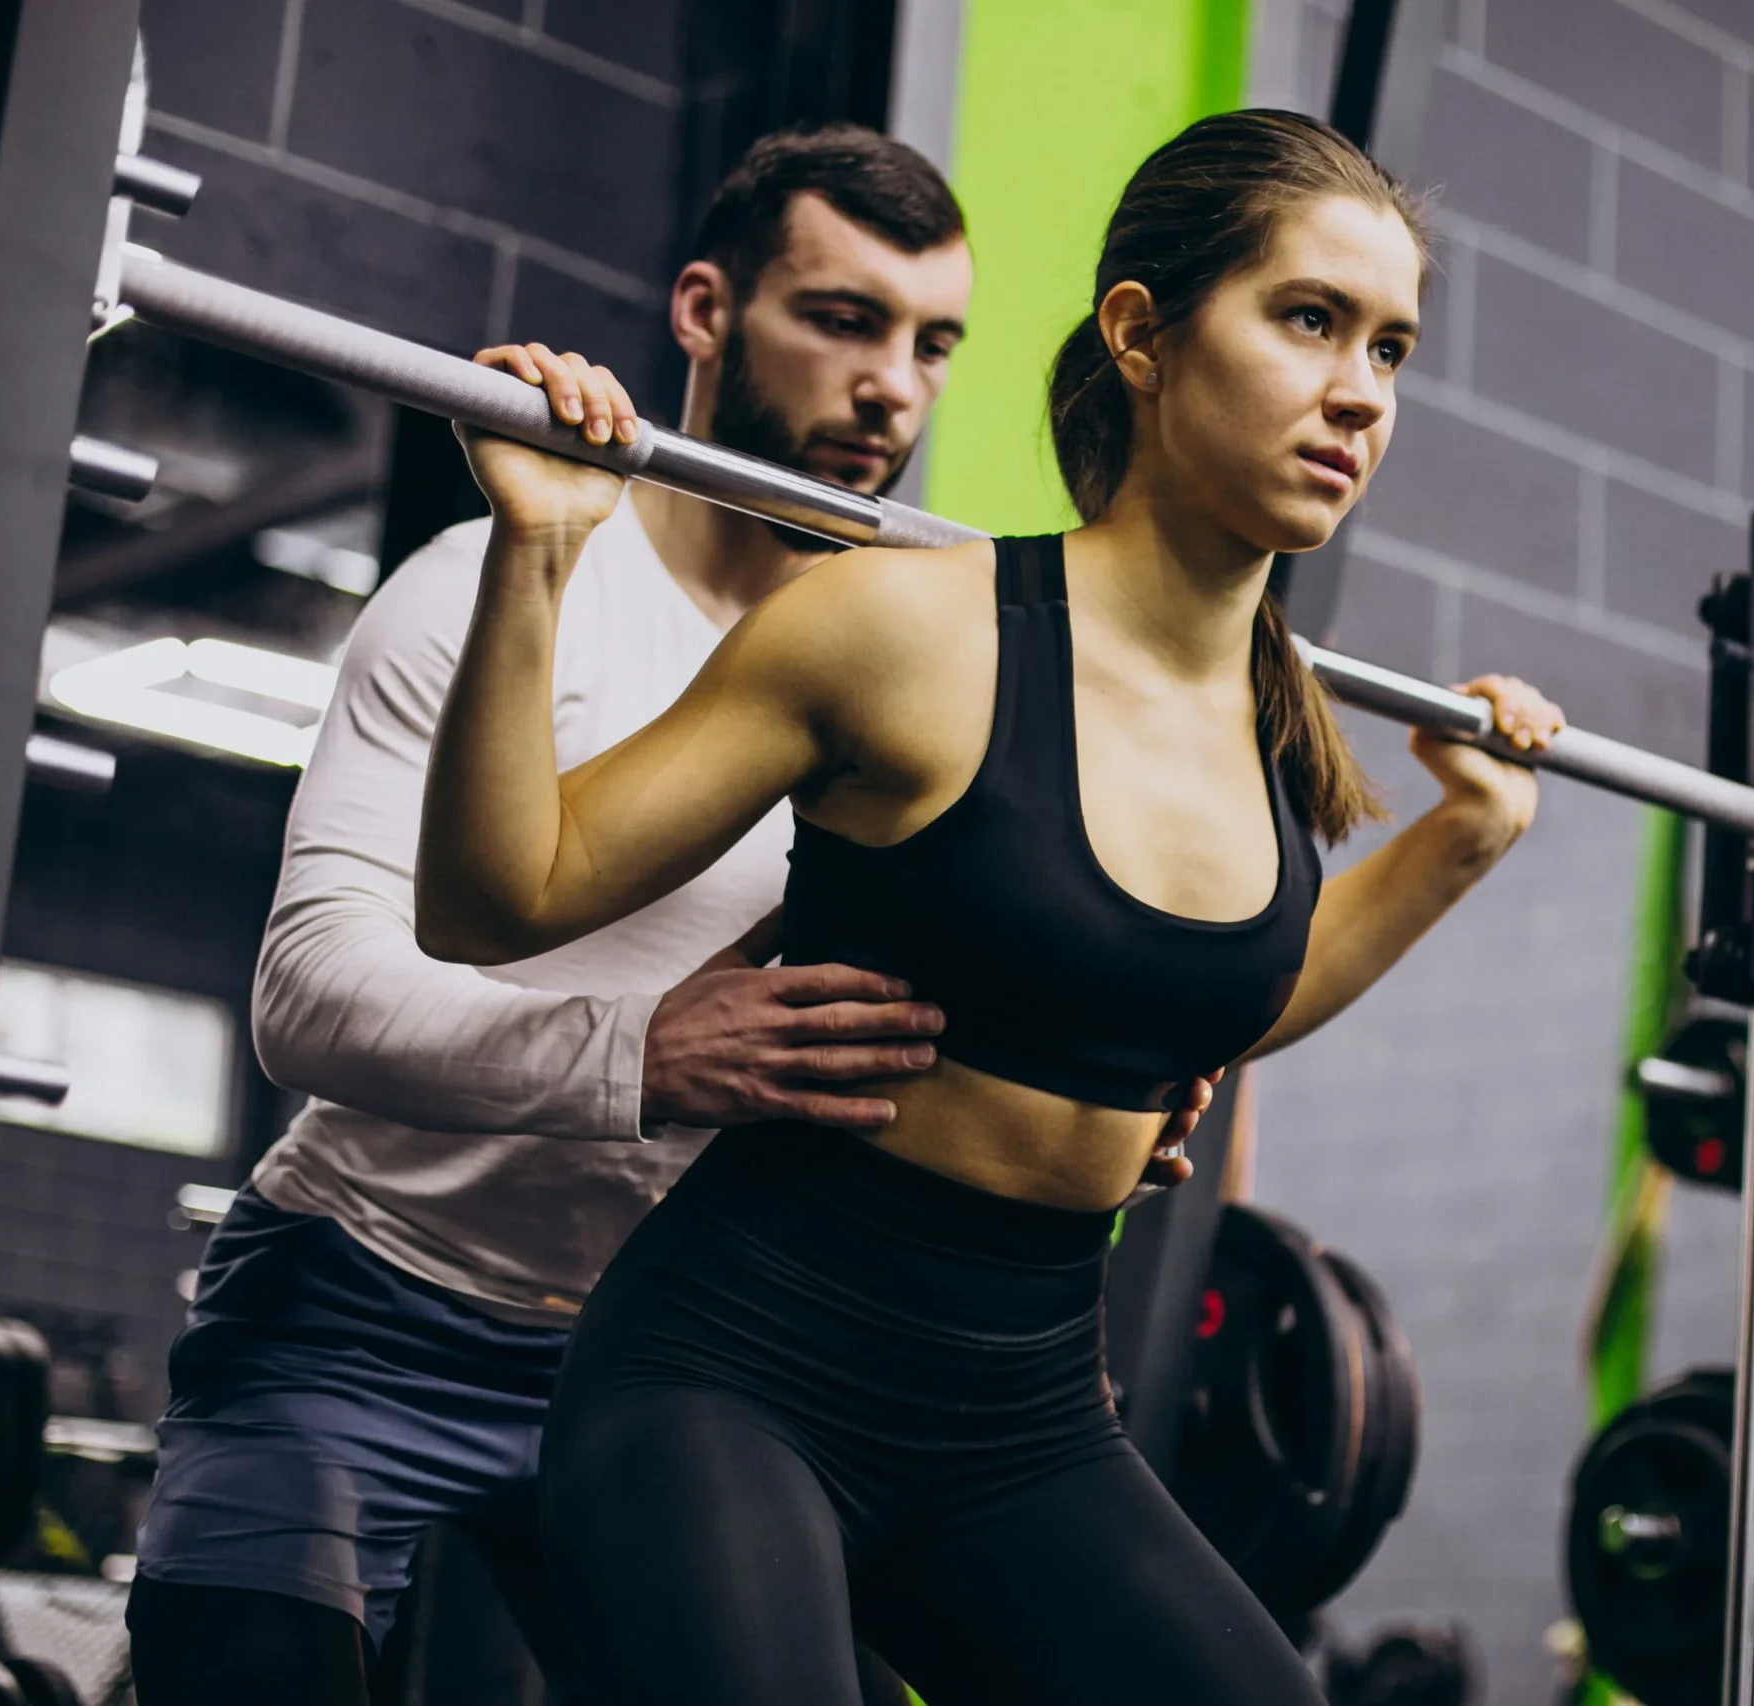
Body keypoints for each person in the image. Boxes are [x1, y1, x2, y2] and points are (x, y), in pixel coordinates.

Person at [416, 110, 1563, 1705]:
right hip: (736, 1377)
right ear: (1143, 336)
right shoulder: (901, 626)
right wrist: (535, 554)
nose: (1359, 390)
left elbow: (1218, 998)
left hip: (1022, 1411)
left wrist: (1461, 837)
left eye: (1391, 347)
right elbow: (497, 897)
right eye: (1308, 320)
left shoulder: (1272, 711)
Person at [127, 125, 1209, 1706]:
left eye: (931, 343)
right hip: (366, 1308)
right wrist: (643, 1051)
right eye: (841, 320)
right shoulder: (486, 588)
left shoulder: (926, 671)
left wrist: (1080, 1084)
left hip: (703, 1365)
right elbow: (307, 996)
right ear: (705, 312)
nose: (892, 386)